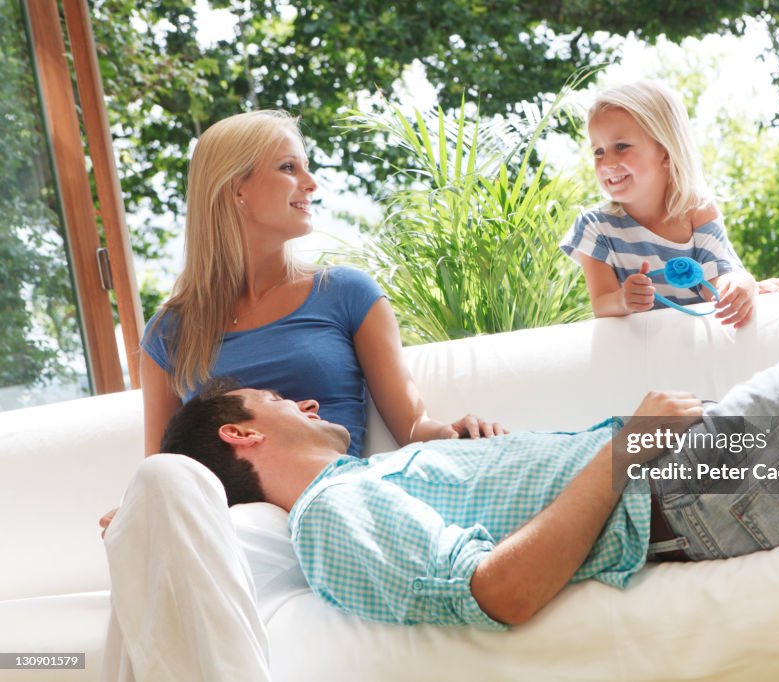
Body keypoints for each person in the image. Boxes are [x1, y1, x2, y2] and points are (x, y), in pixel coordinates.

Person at [136, 227, 779, 638]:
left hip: (726, 468)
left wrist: (460, 456)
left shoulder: (375, 481)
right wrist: (625, 448)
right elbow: (497, 593)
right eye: (279, 404)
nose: (311, 406)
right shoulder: (331, 514)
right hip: (714, 476)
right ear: (241, 437)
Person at [98, 110, 504, 681]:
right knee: (155, 519)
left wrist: (451, 431)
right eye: (289, 168)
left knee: (162, 562)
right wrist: (140, 513)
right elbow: (164, 461)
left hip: (317, 508)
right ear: (235, 189)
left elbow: (411, 421)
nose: (311, 184)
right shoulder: (170, 331)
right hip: (224, 517)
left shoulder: (344, 293)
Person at [559, 81, 757, 326]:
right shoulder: (594, 226)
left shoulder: (698, 211)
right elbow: (601, 303)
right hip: (638, 354)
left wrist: (742, 284)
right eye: (598, 151)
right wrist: (623, 300)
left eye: (621, 146)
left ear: (665, 152)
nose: (607, 162)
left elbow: (716, 283)